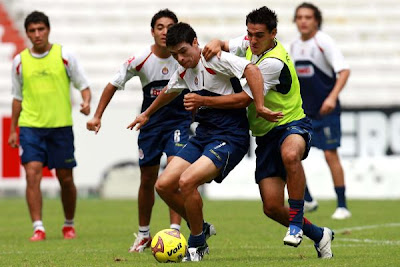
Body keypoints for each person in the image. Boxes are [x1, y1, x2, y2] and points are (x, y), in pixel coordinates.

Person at [128, 22, 278, 261]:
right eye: (175, 54)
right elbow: (169, 91)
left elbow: (252, 70)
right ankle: (201, 227)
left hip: (230, 137)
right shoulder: (183, 71)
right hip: (204, 136)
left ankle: (197, 245)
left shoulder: (214, 59)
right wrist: (147, 114)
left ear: (196, 43)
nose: (180, 58)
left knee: (186, 181)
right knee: (163, 185)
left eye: (184, 51)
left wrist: (259, 105)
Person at [194, 6, 334, 258]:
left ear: (273, 34)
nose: (253, 40)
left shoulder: (273, 62)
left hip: (291, 123)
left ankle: (296, 222)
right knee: (270, 207)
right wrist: (215, 42)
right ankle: (319, 234)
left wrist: (202, 101)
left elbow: (242, 100)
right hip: (265, 135)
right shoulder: (248, 43)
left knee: (291, 155)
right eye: (249, 34)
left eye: (259, 35)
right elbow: (224, 44)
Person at [86, 9, 193, 253]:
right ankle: (144, 234)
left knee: (173, 177)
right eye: (160, 27)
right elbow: (113, 84)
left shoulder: (185, 58)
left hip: (178, 123)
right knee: (147, 180)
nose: (165, 32)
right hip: (151, 126)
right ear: (152, 31)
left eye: (170, 27)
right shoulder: (141, 59)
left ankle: (174, 233)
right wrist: (97, 116)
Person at [8, 11, 91, 241]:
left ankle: (69, 224)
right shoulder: (19, 62)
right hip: (31, 127)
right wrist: (13, 128)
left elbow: (83, 85)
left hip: (60, 127)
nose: (37, 34)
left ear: (48, 30)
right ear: (26, 33)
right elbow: (17, 97)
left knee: (66, 178)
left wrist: (86, 102)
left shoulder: (64, 56)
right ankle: (38, 227)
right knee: (32, 174)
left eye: (40, 29)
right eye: (32, 31)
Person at [291, 2, 351, 219]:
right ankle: (307, 198)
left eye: (308, 17)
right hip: (304, 112)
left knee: (330, 154)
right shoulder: (295, 46)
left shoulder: (323, 42)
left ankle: (342, 205)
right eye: (299, 17)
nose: (303, 21)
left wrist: (332, 98)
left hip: (326, 111)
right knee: (292, 154)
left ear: (316, 20)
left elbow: (343, 71)